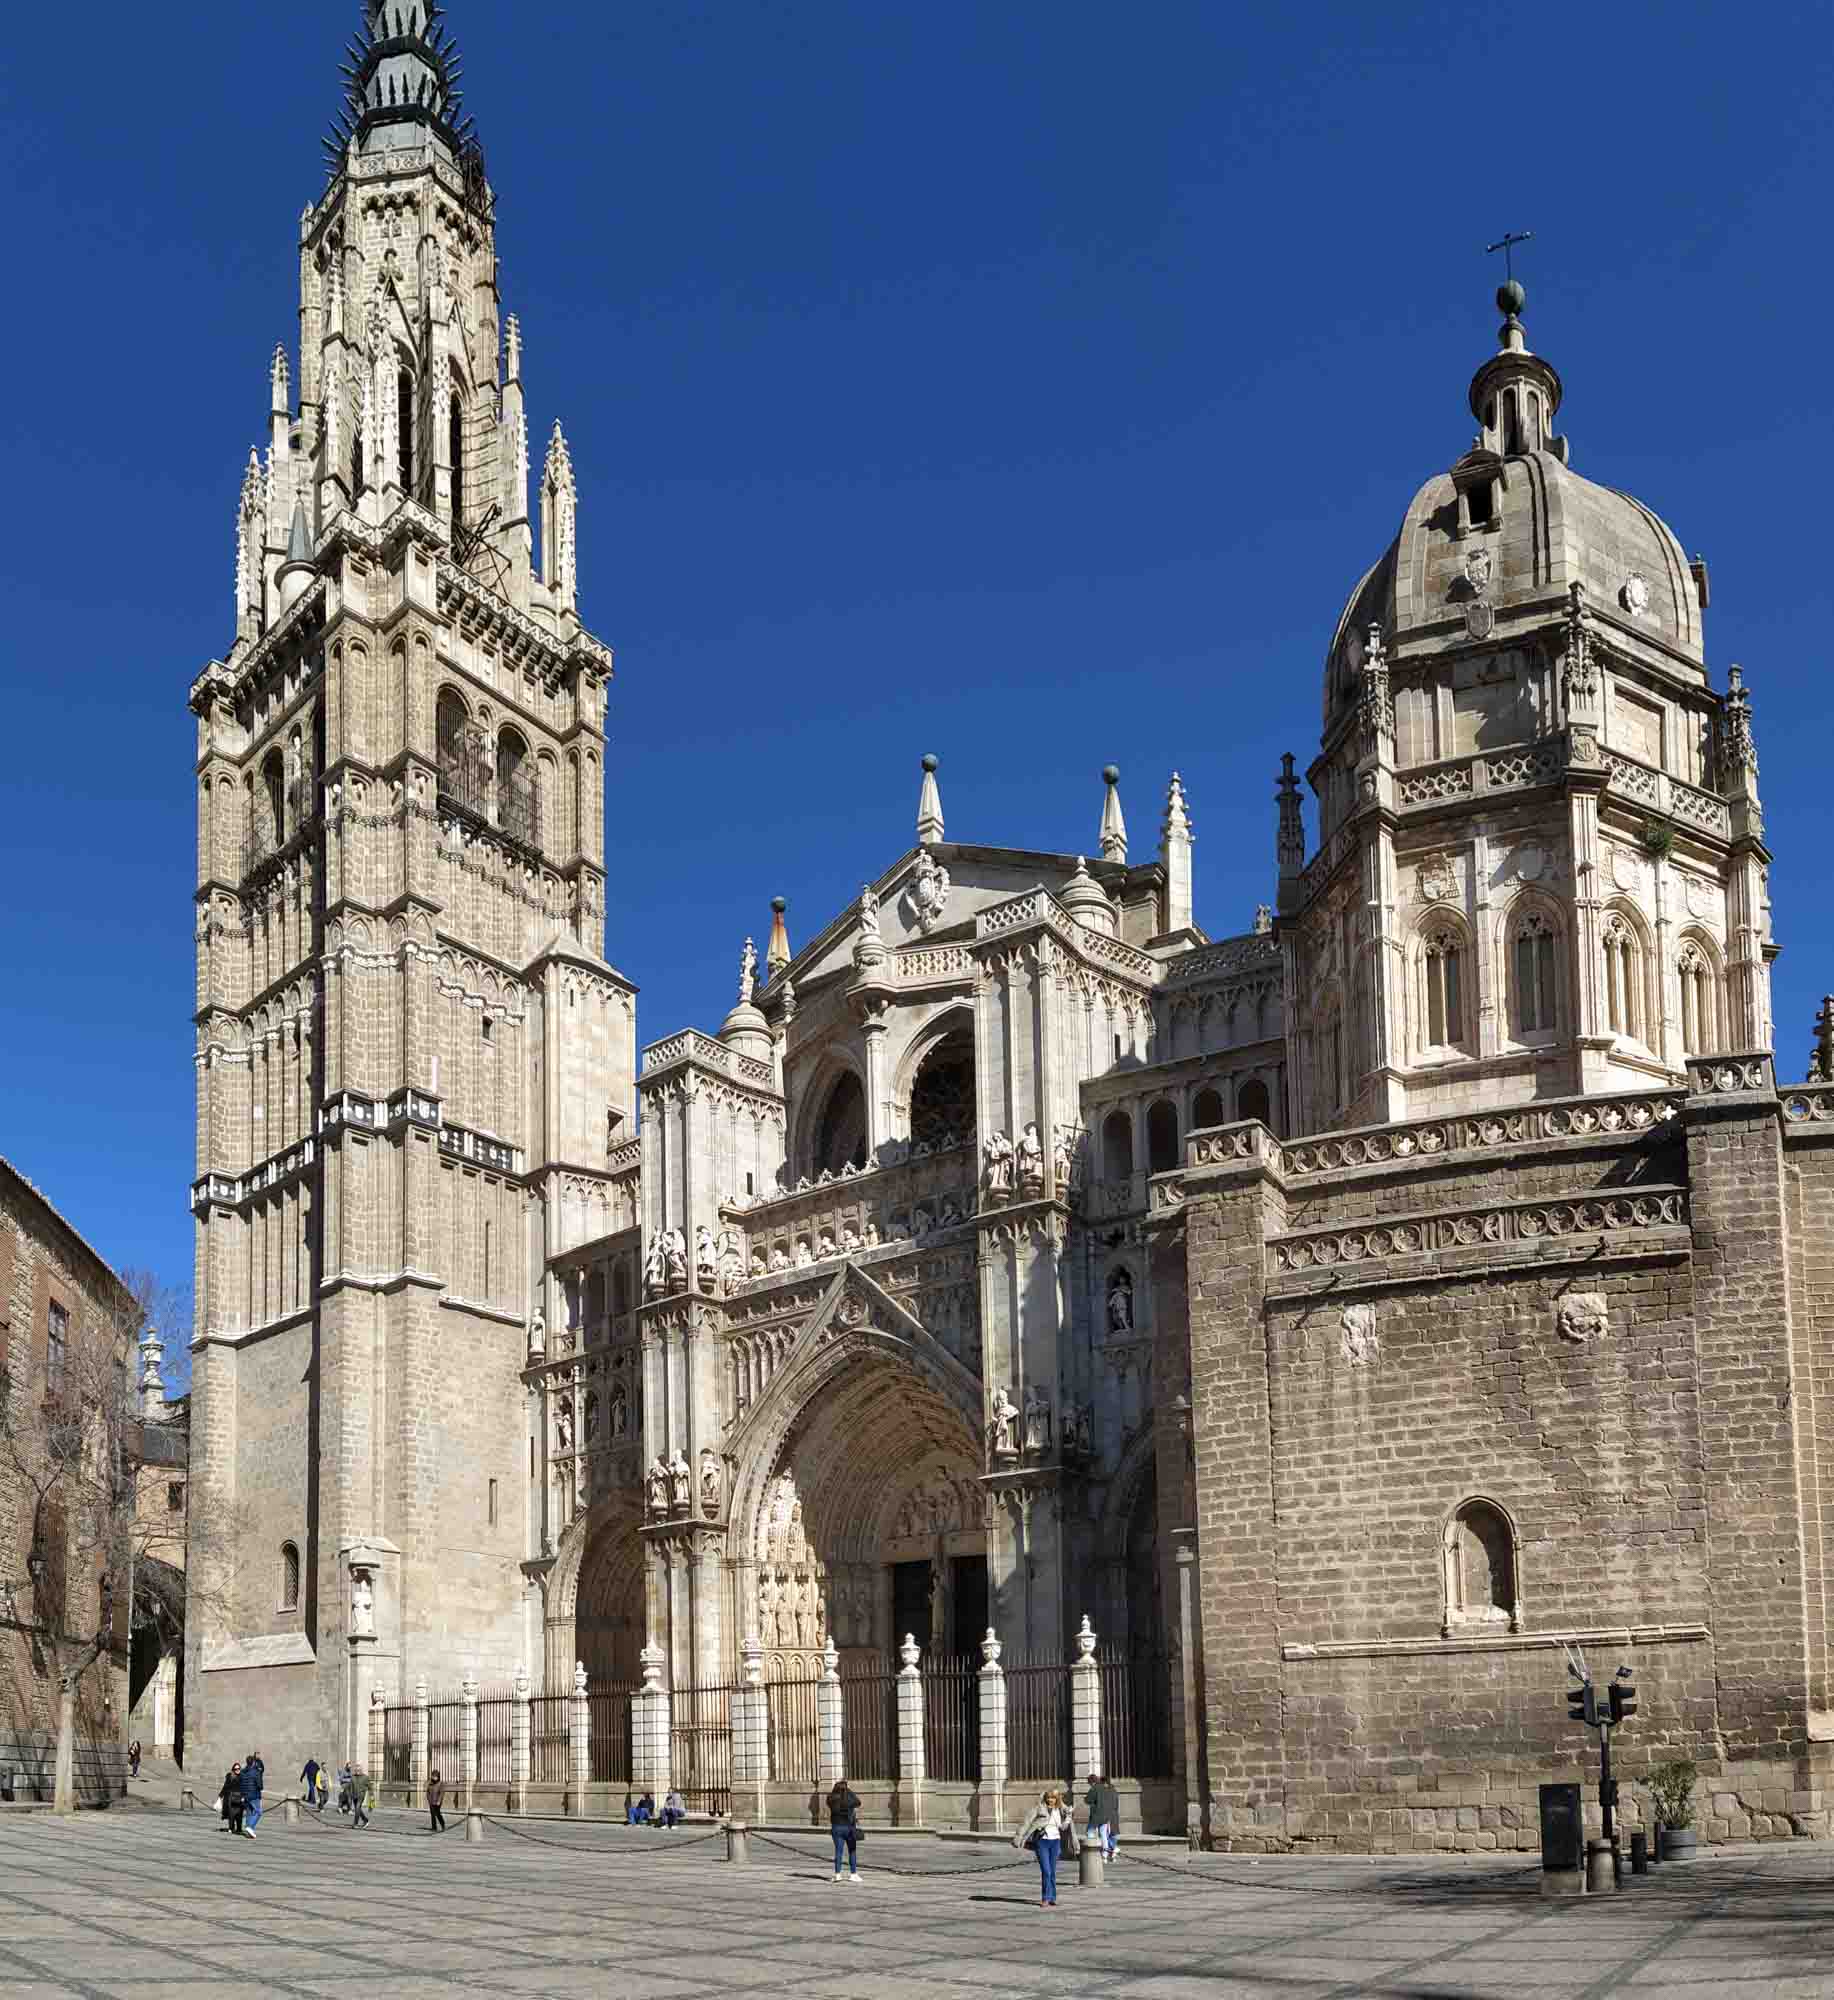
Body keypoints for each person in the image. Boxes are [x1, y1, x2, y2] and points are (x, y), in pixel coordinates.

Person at [1012, 1787, 1078, 1906]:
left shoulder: (1059, 1810)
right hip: (1042, 1842)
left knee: (1052, 1871)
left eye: (1053, 1798)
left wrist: (1068, 1817)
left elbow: (1063, 1827)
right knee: (1046, 1871)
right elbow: (1027, 1822)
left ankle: (1052, 1897)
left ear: (1056, 1799)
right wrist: (1019, 1837)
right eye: (1048, 1798)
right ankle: (1045, 1898)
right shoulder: (1039, 1808)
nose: (1050, 1800)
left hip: (1055, 1842)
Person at [826, 1776, 863, 1883]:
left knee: (838, 1851)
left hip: (836, 1827)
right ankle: (853, 1874)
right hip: (849, 1827)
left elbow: (831, 1799)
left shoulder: (831, 1798)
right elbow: (858, 1802)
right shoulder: (849, 1798)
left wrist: (842, 1789)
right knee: (852, 1851)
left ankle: (837, 1875)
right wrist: (848, 1790)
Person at [1083, 1770, 1120, 1862]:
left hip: (1098, 1815)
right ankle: (1107, 1853)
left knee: (1090, 1831)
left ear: (1092, 1782)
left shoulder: (1095, 1788)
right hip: (1109, 1815)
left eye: (1089, 1783)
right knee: (1105, 1834)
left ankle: (1094, 1852)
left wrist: (1086, 1799)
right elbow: (1115, 1803)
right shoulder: (1111, 1789)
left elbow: (1088, 1800)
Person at [240, 1750, 265, 1838]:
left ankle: (248, 1830)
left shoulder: (243, 1772)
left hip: (245, 1795)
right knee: (258, 1812)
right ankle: (250, 1827)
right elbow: (260, 1785)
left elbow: (241, 1784)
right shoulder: (256, 1772)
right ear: (253, 1762)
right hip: (254, 1795)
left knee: (249, 1812)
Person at [219, 1761, 244, 1837]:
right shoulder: (230, 1776)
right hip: (231, 1797)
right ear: (233, 1769)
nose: (237, 1770)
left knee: (239, 1813)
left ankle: (239, 1828)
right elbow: (225, 1786)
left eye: (239, 1768)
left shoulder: (242, 1777)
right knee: (231, 1814)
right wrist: (221, 1795)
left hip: (240, 1797)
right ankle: (231, 1827)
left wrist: (244, 1796)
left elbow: (244, 1787)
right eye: (236, 1769)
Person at [426, 1768, 446, 1834]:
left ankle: (443, 1824)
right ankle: (434, 1827)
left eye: (436, 1776)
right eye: (433, 1776)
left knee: (437, 1814)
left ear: (438, 1776)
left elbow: (442, 1793)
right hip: (431, 1802)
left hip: (437, 1802)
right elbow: (427, 1792)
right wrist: (429, 1800)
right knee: (432, 1814)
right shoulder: (430, 1783)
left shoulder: (440, 1783)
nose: (434, 1777)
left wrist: (439, 1801)